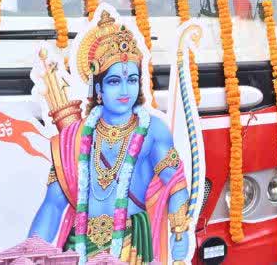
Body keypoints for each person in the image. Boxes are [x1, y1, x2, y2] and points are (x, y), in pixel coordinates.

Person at [28, 13, 193, 260]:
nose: (126, 90)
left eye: (132, 79)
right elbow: (53, 205)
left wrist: (180, 229)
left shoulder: (152, 130)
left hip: (130, 247)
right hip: (78, 246)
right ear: (98, 88)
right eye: (115, 81)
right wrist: (30, 251)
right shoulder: (72, 139)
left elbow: (176, 183)